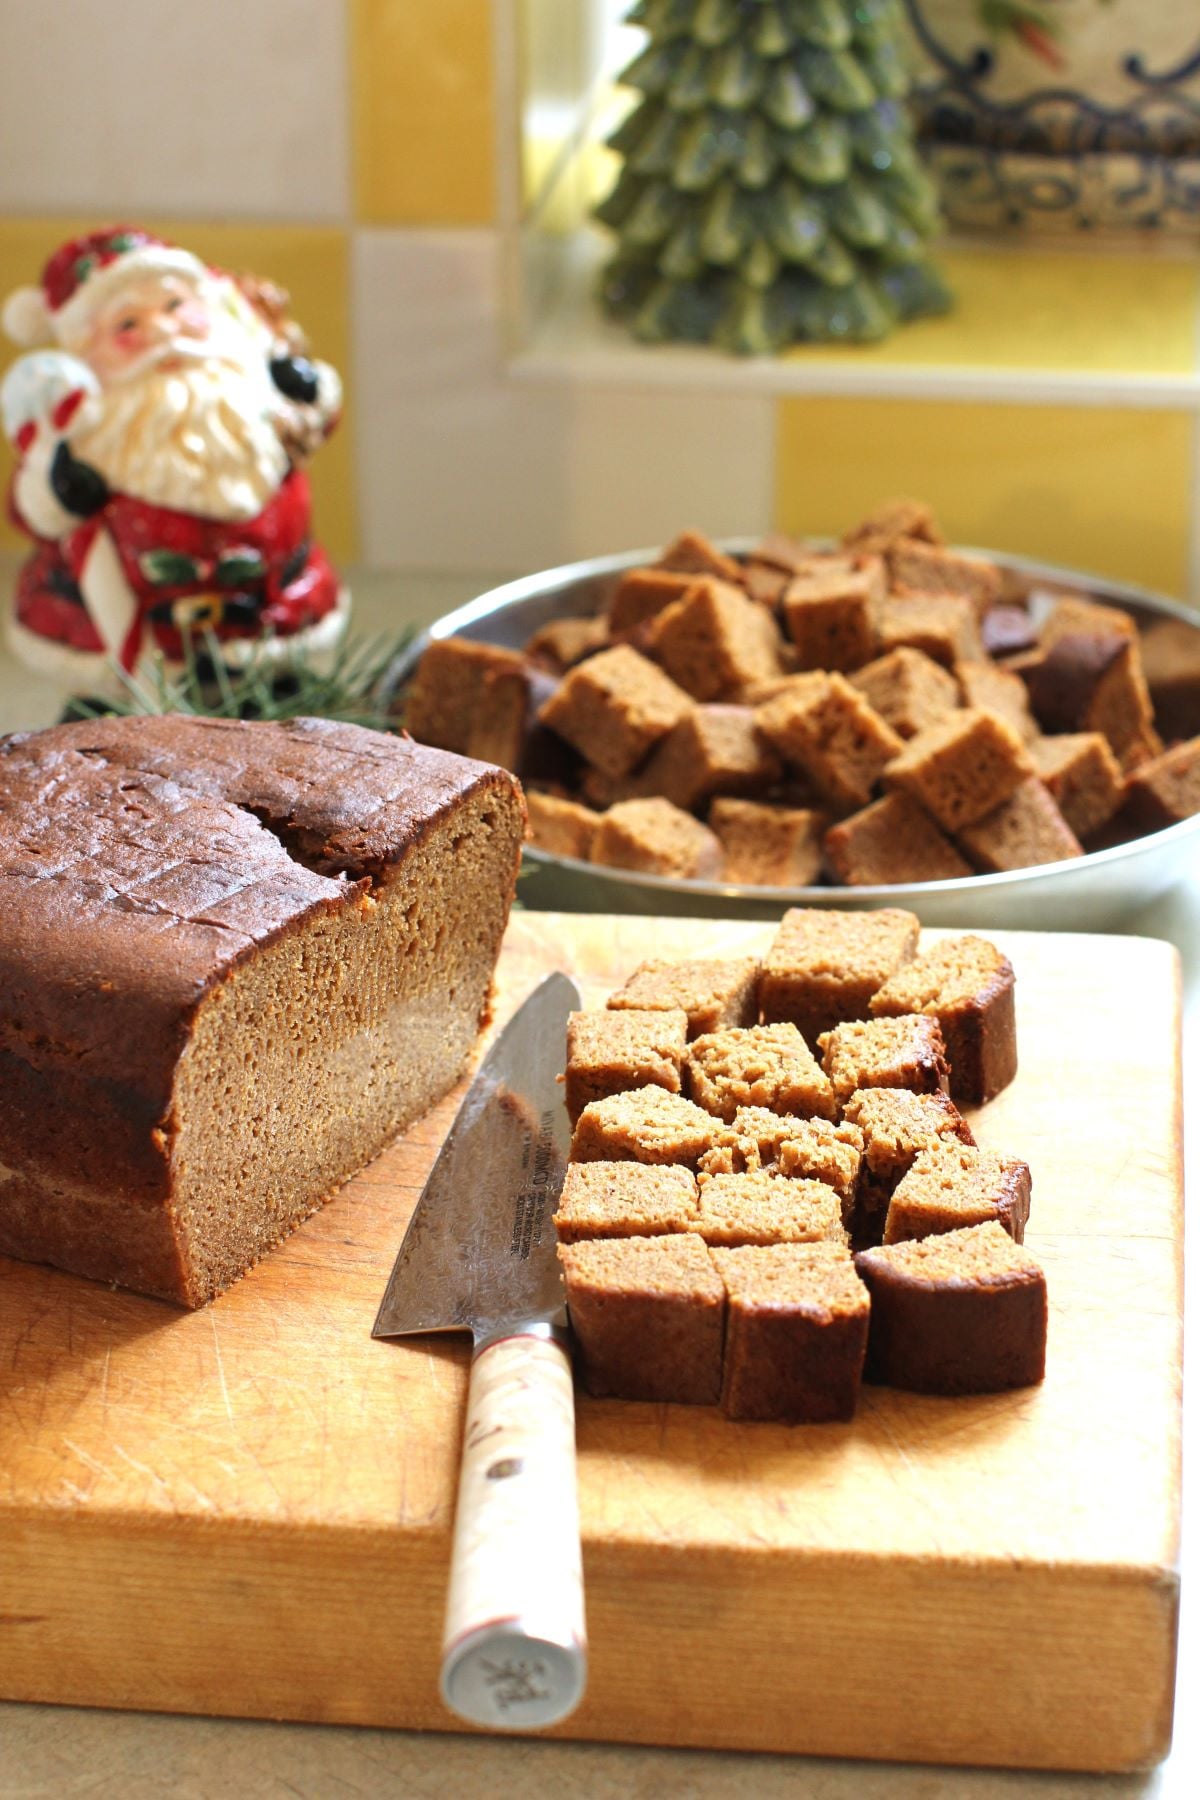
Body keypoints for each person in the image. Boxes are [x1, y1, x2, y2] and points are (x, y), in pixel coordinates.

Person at [1, 225, 346, 691]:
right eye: (128, 325)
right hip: (131, 650)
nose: (163, 331)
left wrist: (302, 387)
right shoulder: (90, 432)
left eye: (175, 306)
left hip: (270, 620)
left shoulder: (254, 393)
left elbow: (317, 418)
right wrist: (59, 489)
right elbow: (33, 512)